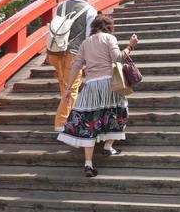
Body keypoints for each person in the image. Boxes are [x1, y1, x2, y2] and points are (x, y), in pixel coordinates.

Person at [57, 15, 139, 177]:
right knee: (121, 113)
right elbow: (117, 58)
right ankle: (108, 146)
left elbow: (76, 66)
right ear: (108, 27)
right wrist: (130, 46)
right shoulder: (109, 38)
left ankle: (88, 164)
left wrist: (68, 89)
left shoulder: (85, 43)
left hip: (91, 86)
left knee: (90, 123)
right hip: (110, 84)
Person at [47, 0, 98, 132]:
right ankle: (61, 123)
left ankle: (71, 118)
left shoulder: (61, 5)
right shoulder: (90, 10)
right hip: (74, 53)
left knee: (64, 84)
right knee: (72, 88)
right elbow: (89, 36)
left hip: (54, 50)